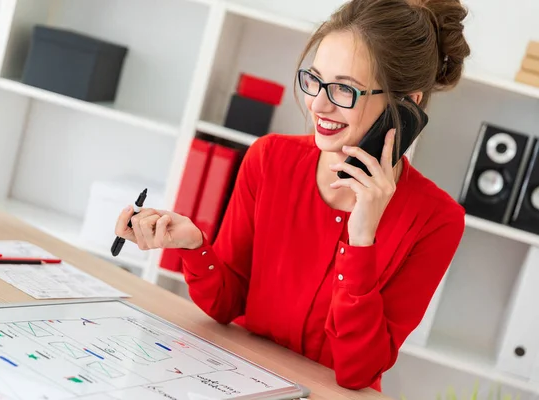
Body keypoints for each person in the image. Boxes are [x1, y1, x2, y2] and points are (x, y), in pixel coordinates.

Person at [115, 0, 471, 392]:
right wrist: (193, 245)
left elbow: (357, 372)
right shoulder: (270, 159)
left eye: (344, 90)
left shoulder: (437, 220)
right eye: (314, 80)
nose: (318, 104)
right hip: (235, 380)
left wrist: (363, 236)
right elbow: (226, 304)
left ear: (406, 105)